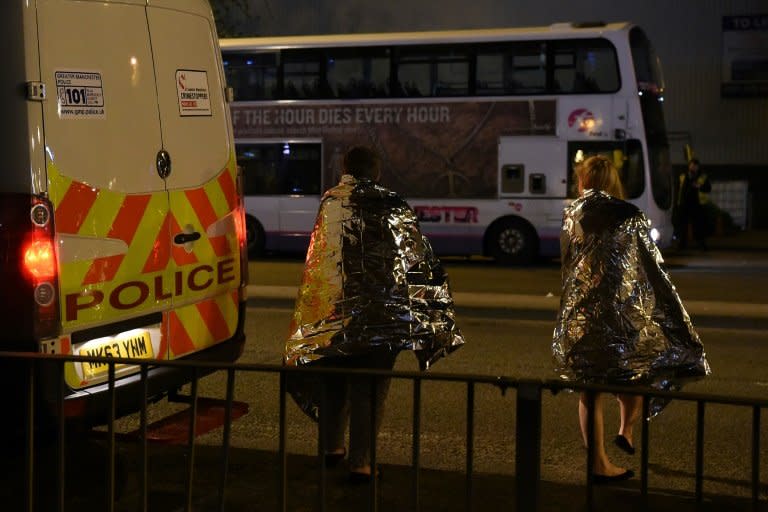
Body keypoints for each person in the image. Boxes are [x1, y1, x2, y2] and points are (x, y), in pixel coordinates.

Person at [284, 145, 465, 483]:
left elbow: (319, 262)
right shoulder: (393, 203)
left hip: (333, 315)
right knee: (370, 389)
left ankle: (331, 449)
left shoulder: (330, 201)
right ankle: (361, 463)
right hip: (382, 319)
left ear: (345, 168)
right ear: (377, 171)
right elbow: (414, 257)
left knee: (334, 380)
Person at [552, 155, 710, 484]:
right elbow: (651, 269)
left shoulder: (571, 214)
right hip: (621, 318)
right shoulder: (628, 215)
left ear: (583, 181)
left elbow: (567, 267)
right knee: (638, 374)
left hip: (581, 318)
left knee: (590, 392)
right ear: (614, 182)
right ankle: (625, 430)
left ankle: (597, 461)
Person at [675, 158, 712, 250]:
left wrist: (700, 186)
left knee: (699, 226)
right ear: (689, 166)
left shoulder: (702, 177)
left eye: (695, 166)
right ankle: (682, 245)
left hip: (697, 205)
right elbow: (678, 189)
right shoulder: (683, 176)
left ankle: (701, 244)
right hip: (684, 204)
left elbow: (708, 188)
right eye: (691, 165)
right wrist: (677, 203)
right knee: (683, 226)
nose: (693, 168)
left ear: (698, 167)